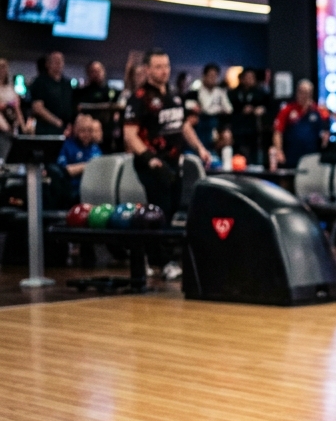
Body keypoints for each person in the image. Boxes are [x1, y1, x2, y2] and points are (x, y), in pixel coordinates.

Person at [123, 48, 213, 279]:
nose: (164, 71)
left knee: (171, 210)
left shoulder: (173, 95)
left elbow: (182, 126)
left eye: (166, 66)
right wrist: (149, 158)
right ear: (149, 69)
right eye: (159, 67)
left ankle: (153, 255)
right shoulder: (140, 97)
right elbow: (130, 134)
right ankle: (161, 261)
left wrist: (200, 148)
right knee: (159, 211)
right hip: (152, 164)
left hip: (174, 163)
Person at [271, 79, 336, 169]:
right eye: (301, 92)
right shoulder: (287, 109)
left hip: (312, 157)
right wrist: (279, 151)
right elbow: (277, 132)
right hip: (291, 154)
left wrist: (330, 111)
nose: (303, 95)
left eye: (307, 92)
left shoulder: (318, 110)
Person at [227, 68, 271, 164]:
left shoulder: (261, 93)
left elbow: (268, 107)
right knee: (238, 153)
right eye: (247, 77)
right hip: (238, 128)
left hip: (254, 129)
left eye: (252, 77)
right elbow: (229, 109)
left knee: (254, 154)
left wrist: (258, 109)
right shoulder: (233, 93)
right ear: (242, 79)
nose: (249, 80)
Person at [56, 114, 103, 204]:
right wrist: (89, 166)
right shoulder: (68, 146)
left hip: (93, 190)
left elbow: (100, 169)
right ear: (76, 130)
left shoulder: (95, 148)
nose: (86, 134)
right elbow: (65, 170)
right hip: (72, 190)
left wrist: (79, 168)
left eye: (89, 131)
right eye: (83, 131)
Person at [29, 51, 75, 136]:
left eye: (61, 61)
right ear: (47, 64)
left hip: (66, 129)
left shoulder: (67, 83)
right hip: (46, 129)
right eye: (55, 61)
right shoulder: (40, 82)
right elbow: (37, 107)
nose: (59, 63)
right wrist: (56, 122)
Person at [192, 63, 233, 151]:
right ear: (204, 76)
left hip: (217, 124)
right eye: (210, 75)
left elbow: (229, 109)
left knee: (226, 136)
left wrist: (215, 110)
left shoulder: (221, 92)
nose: (213, 78)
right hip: (201, 125)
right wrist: (218, 108)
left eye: (215, 76)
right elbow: (205, 109)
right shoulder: (196, 92)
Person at [0, 59, 26, 137]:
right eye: (0, 68)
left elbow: (17, 109)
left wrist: (23, 127)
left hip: (12, 124)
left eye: (4, 68)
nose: (2, 71)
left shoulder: (11, 89)